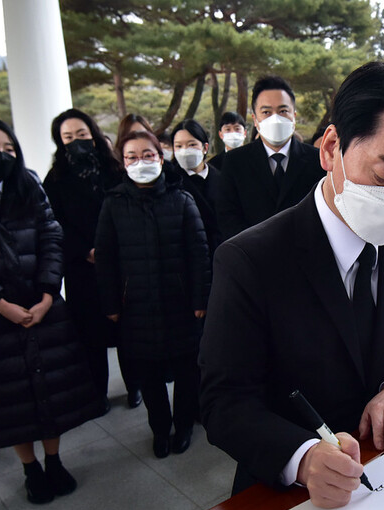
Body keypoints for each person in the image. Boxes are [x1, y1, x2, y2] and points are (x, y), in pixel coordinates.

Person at [200, 55, 384, 507]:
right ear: (331, 149)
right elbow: (224, 403)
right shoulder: (251, 259)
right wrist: (302, 458)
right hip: (291, 497)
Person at [0, 118, 104, 503]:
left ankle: (54, 459)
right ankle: (31, 468)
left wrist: (47, 293)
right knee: (13, 400)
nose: (2, 155)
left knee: (53, 391)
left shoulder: (27, 183)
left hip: (41, 306)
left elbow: (51, 234)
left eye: (9, 148)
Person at [95, 131, 211, 458]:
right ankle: (160, 429)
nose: (141, 162)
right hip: (136, 307)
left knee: (187, 372)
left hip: (180, 305)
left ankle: (184, 424)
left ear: (161, 158)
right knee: (149, 377)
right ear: (123, 162)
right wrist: (110, 304)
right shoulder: (113, 204)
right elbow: (105, 259)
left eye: (148, 155)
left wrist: (200, 299)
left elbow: (199, 254)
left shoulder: (182, 200)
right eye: (132, 156)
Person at [43, 108, 140, 409]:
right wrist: (85, 250)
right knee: (91, 335)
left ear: (94, 135)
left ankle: (134, 386)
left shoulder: (114, 168)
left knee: (128, 330)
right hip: (82, 267)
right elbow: (53, 222)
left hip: (121, 263)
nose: (76, 141)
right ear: (60, 142)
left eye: (82, 135)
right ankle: (97, 391)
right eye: (68, 137)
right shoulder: (56, 178)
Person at [216, 76, 325, 240]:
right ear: (255, 119)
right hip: (252, 256)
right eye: (266, 112)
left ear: (294, 116)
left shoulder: (317, 160)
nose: (275, 119)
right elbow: (227, 216)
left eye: (283, 111)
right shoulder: (235, 161)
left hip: (306, 255)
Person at [170, 119, 223, 256]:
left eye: (192, 144)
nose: (185, 151)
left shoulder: (222, 179)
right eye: (179, 146)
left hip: (220, 252)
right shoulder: (169, 182)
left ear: (205, 148)